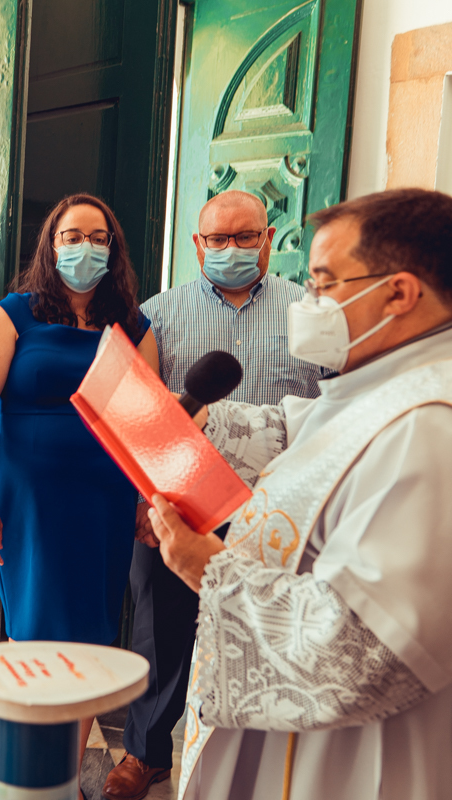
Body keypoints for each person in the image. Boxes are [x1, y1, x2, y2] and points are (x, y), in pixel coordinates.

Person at [144, 188, 452, 800]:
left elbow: (364, 650)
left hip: (344, 764)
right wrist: (211, 423)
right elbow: (306, 428)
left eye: (324, 282)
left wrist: (211, 571)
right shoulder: (390, 384)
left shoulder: (430, 425)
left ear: (399, 292)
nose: (309, 302)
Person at [104, 190, 323, 800]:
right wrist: (148, 500)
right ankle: (145, 755)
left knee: (263, 626)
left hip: (279, 506)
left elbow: (331, 408)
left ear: (269, 239)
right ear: (197, 245)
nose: (230, 250)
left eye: (244, 237)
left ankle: (262, 761)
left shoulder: (308, 313)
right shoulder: (161, 314)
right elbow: (137, 413)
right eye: (217, 240)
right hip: (180, 503)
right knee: (160, 629)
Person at [0, 193, 158, 792]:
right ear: (51, 244)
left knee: (88, 643)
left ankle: (63, 781)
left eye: (98, 238)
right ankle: (31, 776)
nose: (84, 247)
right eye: (72, 236)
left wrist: (149, 503)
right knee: (36, 635)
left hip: (102, 504)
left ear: (113, 249)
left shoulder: (133, 326)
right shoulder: (15, 313)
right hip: (27, 505)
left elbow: (149, 425)